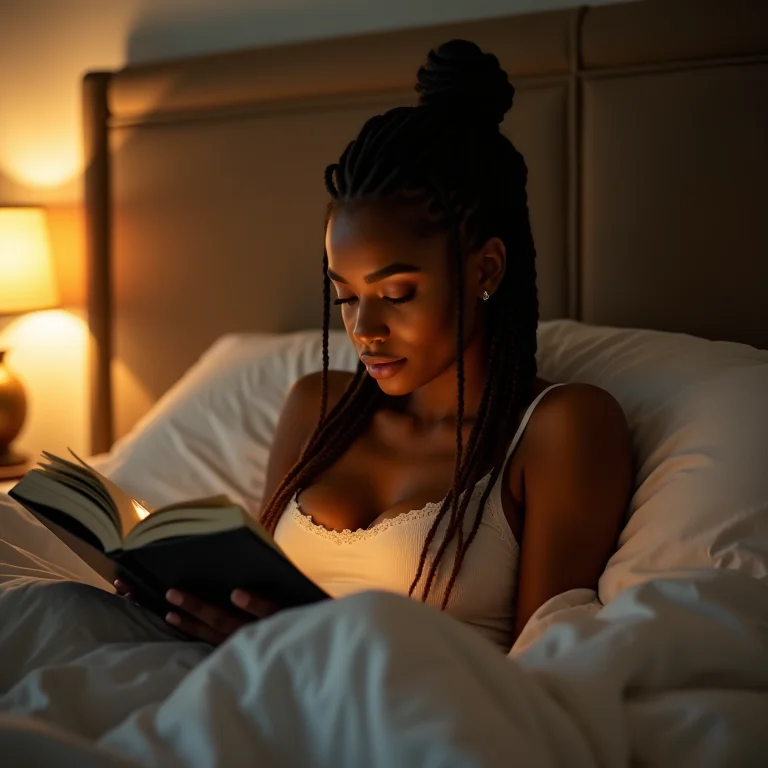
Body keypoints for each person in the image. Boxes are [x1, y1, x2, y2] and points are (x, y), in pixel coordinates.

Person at [117, 39, 633, 651]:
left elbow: (545, 668)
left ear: (487, 268)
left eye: (398, 292)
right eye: (345, 296)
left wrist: (308, 649)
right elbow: (255, 599)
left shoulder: (562, 427)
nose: (364, 329)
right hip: (249, 691)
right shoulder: (318, 407)